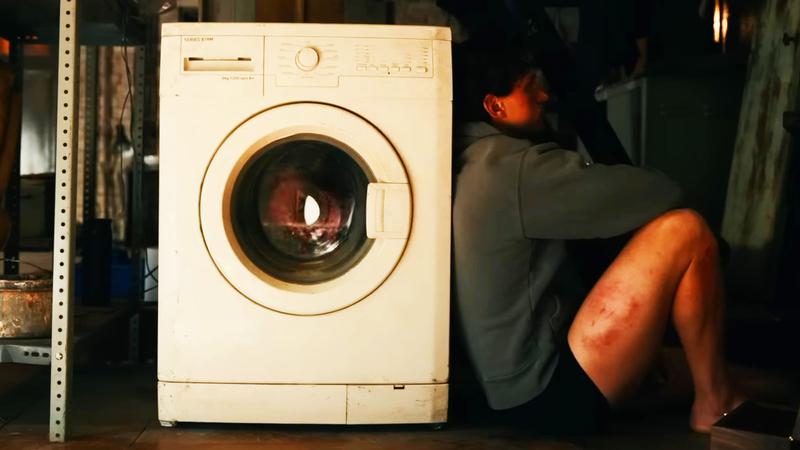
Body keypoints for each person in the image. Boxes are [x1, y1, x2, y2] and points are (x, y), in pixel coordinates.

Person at [451, 40, 743, 434]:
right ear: (495, 106)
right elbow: (662, 194)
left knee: (741, 374)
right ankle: (715, 404)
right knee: (685, 230)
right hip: (544, 394)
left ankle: (723, 392)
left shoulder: (467, 160)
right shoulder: (511, 168)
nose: (544, 94)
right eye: (528, 86)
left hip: (508, 392)